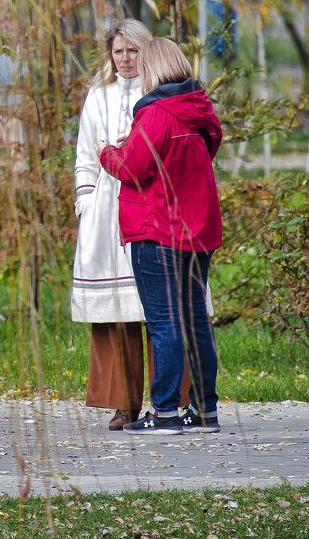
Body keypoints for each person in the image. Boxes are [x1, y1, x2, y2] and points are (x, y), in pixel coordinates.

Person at [97, 37, 223, 436]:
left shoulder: (155, 114)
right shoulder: (199, 109)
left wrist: (106, 152)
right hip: (198, 228)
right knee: (195, 321)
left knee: (164, 322)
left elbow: (133, 169)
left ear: (154, 69)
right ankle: (205, 411)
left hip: (158, 230)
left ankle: (165, 412)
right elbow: (200, 151)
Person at [70, 19, 191, 431]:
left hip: (157, 205)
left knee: (163, 308)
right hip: (107, 212)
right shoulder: (98, 95)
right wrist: (85, 203)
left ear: (147, 50)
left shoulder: (162, 94)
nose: (125, 59)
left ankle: (173, 399)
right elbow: (86, 154)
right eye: (118, 51)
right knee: (118, 311)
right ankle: (123, 402)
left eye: (133, 51)